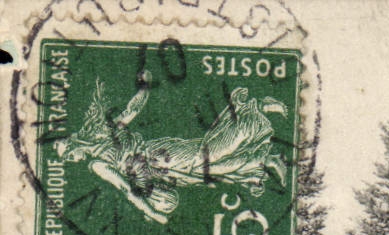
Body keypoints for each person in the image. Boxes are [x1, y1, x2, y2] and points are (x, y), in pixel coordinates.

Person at [56, 72, 289, 224]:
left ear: (74, 144)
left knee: (207, 157)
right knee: (209, 170)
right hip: (161, 169)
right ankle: (266, 159)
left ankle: (256, 109)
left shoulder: (98, 161)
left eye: (69, 155)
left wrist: (153, 213)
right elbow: (132, 112)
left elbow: (126, 189)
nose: (73, 160)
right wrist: (144, 89)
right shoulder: (102, 140)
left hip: (159, 157)